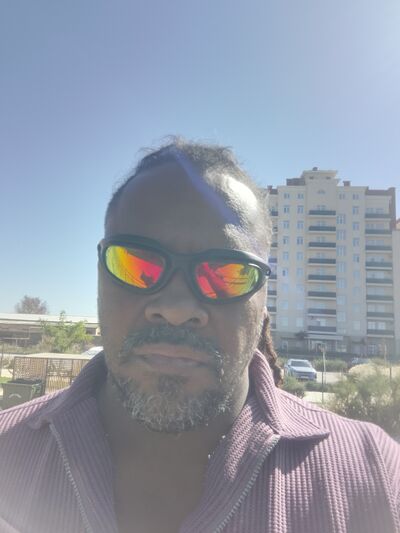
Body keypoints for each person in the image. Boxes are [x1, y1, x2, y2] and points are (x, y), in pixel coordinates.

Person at [0, 139, 399, 533]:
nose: (176, 308)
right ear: (101, 272)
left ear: (264, 299)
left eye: (227, 273)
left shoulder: (376, 476)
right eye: (136, 263)